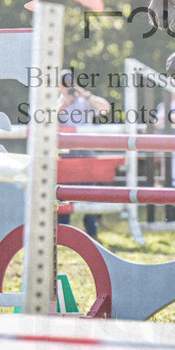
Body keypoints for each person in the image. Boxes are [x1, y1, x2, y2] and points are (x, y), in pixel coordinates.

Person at [57, 68, 111, 240]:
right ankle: (64, 233)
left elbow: (105, 108)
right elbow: (45, 125)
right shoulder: (56, 103)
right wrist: (62, 106)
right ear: (60, 87)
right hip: (66, 155)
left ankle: (92, 233)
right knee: (65, 196)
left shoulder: (84, 101)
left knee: (90, 193)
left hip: (86, 153)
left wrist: (84, 93)